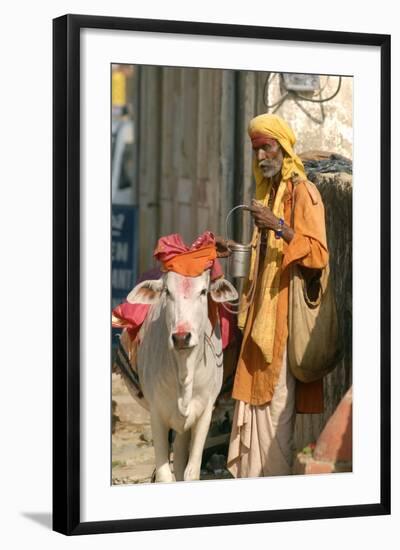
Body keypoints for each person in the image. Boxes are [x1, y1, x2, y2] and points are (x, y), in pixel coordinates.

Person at [216, 113, 329, 478]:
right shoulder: (267, 196)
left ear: (282, 147)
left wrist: (279, 227)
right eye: (257, 150)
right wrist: (232, 248)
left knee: (275, 411)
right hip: (258, 321)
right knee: (255, 408)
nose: (263, 155)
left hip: (282, 324)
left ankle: (273, 492)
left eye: (268, 147)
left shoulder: (303, 193)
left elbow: (318, 255)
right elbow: (262, 258)